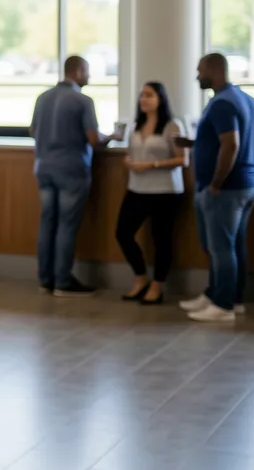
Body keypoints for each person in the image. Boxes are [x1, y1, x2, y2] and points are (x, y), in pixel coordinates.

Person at [176, 53, 254, 323]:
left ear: (213, 69)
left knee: (219, 247)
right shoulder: (249, 101)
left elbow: (230, 144)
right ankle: (228, 297)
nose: (197, 76)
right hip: (249, 185)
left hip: (225, 189)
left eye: (200, 70)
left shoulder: (221, 103)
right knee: (233, 245)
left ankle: (223, 305)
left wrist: (217, 182)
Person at [30, 56, 123, 297]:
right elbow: (94, 139)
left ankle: (45, 280)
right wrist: (112, 136)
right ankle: (62, 281)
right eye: (88, 71)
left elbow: (33, 131)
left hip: (43, 167)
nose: (89, 77)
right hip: (71, 170)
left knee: (47, 223)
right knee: (66, 226)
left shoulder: (43, 97)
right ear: (79, 71)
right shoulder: (82, 101)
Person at [115, 82, 187, 306]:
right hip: (137, 188)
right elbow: (131, 153)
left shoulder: (172, 126)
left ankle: (157, 285)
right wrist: (129, 161)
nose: (144, 100)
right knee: (123, 233)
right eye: (142, 96)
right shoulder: (136, 125)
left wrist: (151, 165)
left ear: (160, 99)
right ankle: (140, 277)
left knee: (161, 240)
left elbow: (183, 159)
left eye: (149, 95)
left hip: (164, 190)